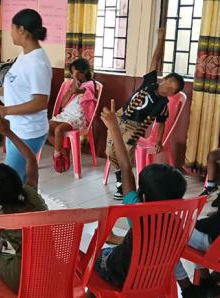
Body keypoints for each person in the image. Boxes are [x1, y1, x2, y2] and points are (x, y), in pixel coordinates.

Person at [94, 100, 203, 297]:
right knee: (155, 246)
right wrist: (185, 285)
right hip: (155, 277)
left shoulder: (137, 211)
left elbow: (126, 167)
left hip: (122, 274)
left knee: (97, 258)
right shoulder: (177, 223)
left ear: (142, 196)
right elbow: (174, 256)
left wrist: (115, 129)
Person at [105, 27, 185, 200]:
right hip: (120, 116)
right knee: (110, 151)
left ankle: (122, 183)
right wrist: (161, 39)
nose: (168, 88)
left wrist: (158, 140)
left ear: (173, 94)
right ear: (163, 79)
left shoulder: (163, 104)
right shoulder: (150, 82)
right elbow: (155, 59)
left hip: (135, 127)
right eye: (169, 82)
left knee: (124, 152)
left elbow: (161, 122)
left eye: (172, 89)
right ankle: (120, 177)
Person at [0, 110, 48, 293]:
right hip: (53, 265)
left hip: (24, 275)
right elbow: (31, 159)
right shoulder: (32, 194)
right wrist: (8, 133)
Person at [0, 9, 52, 182]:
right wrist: (0, 91)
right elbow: (23, 87)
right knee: (16, 179)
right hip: (16, 127)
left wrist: (6, 110)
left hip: (28, 131)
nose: (10, 32)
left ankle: (25, 209)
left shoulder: (37, 62)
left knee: (13, 182)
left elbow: (40, 102)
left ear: (21, 30)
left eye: (12, 28)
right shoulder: (25, 55)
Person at [48, 58, 98, 173]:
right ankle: (62, 150)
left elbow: (77, 90)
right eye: (72, 73)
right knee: (44, 127)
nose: (73, 75)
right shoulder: (73, 86)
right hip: (66, 115)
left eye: (75, 72)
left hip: (78, 118)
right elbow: (63, 104)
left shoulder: (90, 84)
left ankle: (57, 155)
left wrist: (74, 80)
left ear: (84, 72)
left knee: (59, 130)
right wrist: (69, 91)